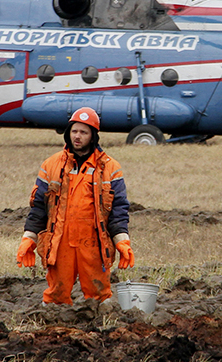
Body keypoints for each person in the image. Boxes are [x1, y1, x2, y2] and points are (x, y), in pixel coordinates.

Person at [17, 107, 134, 304]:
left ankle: (99, 328)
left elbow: (119, 209)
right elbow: (39, 207)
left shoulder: (110, 168)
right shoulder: (51, 165)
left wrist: (122, 241)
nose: (77, 137)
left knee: (99, 296)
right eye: (74, 131)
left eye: (84, 132)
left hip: (94, 243)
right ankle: (54, 328)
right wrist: (29, 238)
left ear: (93, 136)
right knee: (56, 295)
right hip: (60, 240)